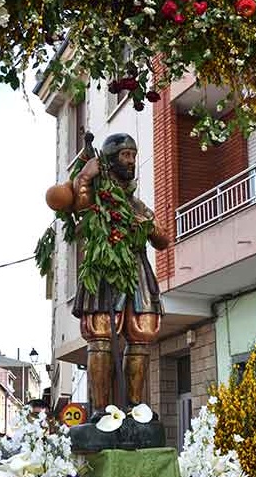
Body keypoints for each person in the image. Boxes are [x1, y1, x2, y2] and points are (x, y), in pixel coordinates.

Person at [46, 133, 171, 415]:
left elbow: (163, 239)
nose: (131, 162)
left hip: (137, 271)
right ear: (111, 160)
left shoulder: (137, 206)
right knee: (101, 335)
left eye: (134, 156)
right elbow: (75, 204)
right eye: (126, 156)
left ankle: (136, 409)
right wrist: (87, 177)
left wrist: (147, 226)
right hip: (103, 270)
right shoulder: (98, 200)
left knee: (141, 333)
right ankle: (101, 410)